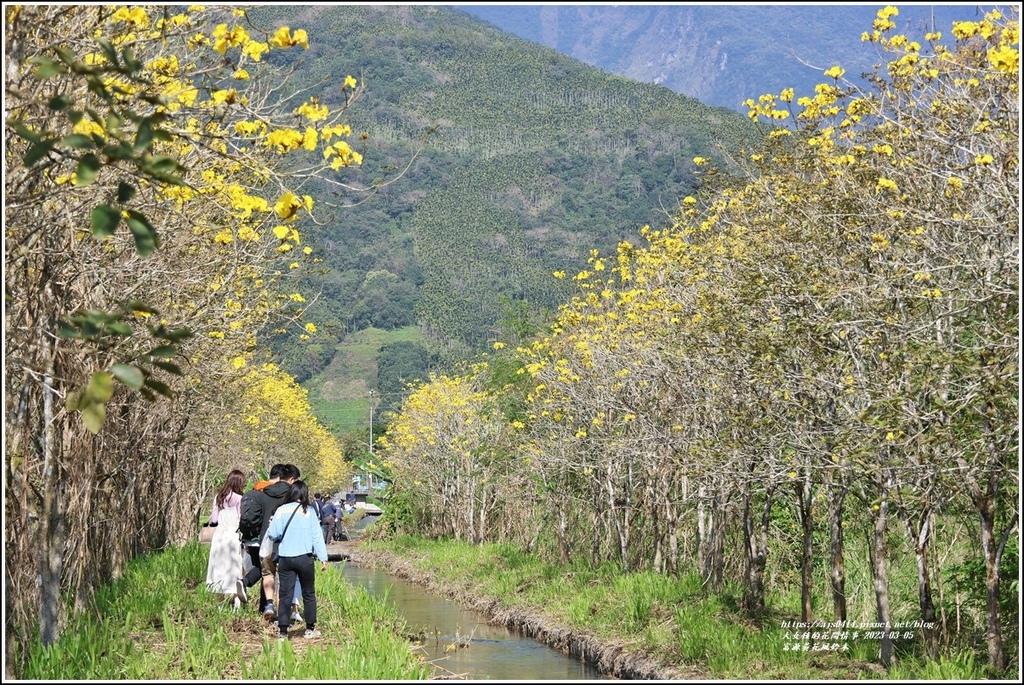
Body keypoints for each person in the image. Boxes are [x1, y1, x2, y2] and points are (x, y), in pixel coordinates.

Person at [266, 479, 329, 640]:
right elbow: (317, 536)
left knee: (285, 594)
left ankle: (283, 631)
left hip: (286, 558)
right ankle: (310, 629)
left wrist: (272, 524)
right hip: (304, 557)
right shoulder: (309, 511)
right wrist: (323, 558)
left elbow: (273, 534)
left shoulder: (281, 510)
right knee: (309, 593)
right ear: (305, 494)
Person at [257, 463, 300, 620]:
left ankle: (268, 604)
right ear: (292, 479)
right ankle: (281, 615)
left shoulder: (263, 493)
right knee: (284, 580)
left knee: (268, 574)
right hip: (286, 545)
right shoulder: (293, 496)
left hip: (266, 543)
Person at [205, 469, 245, 605]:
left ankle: (219, 603)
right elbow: (241, 518)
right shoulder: (240, 499)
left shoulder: (219, 497)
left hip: (220, 535)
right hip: (233, 535)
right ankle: (236, 602)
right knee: (235, 566)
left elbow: (214, 519)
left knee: (218, 567)